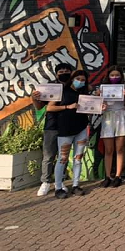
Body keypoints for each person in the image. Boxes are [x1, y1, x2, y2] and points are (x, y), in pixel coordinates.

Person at [47, 70, 92, 199]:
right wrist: (67, 107)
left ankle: (76, 185)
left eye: (83, 80)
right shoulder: (62, 91)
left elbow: (90, 108)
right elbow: (50, 108)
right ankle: (58, 187)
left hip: (81, 128)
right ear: (72, 78)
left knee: (78, 158)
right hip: (65, 129)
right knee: (62, 158)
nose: (80, 82)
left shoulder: (84, 94)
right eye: (78, 79)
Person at [30, 63, 73, 196]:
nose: (64, 73)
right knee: (48, 155)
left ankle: (60, 182)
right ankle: (46, 182)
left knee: (63, 156)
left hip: (67, 126)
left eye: (67, 71)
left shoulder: (73, 87)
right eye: (61, 71)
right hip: (52, 125)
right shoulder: (50, 87)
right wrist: (34, 98)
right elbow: (39, 106)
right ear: (56, 74)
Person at [99, 66, 125, 188]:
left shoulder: (124, 88)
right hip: (108, 117)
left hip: (121, 116)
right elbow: (98, 107)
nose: (114, 77)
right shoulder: (103, 89)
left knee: (120, 148)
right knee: (108, 149)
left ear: (121, 76)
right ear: (108, 76)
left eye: (117, 75)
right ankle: (108, 176)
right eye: (112, 75)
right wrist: (100, 99)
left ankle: (118, 176)